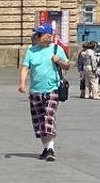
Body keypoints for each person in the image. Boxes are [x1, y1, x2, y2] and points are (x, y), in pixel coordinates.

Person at [18, 23, 71, 161]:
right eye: (37, 34)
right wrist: (22, 83)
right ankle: (46, 148)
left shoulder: (56, 49)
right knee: (39, 121)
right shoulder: (31, 50)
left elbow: (68, 65)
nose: (37, 36)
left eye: (40, 34)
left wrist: (59, 61)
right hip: (35, 90)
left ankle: (51, 148)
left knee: (48, 117)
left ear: (48, 36)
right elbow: (25, 68)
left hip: (52, 89)